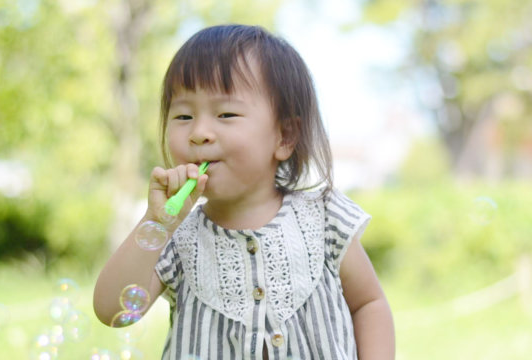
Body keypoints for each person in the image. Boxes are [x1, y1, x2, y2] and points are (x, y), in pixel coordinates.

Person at [93, 24, 395, 359]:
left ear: (285, 136)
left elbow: (369, 303)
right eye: (183, 115)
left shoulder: (324, 219)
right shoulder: (178, 240)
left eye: (226, 113)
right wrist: (157, 222)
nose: (199, 133)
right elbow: (113, 311)